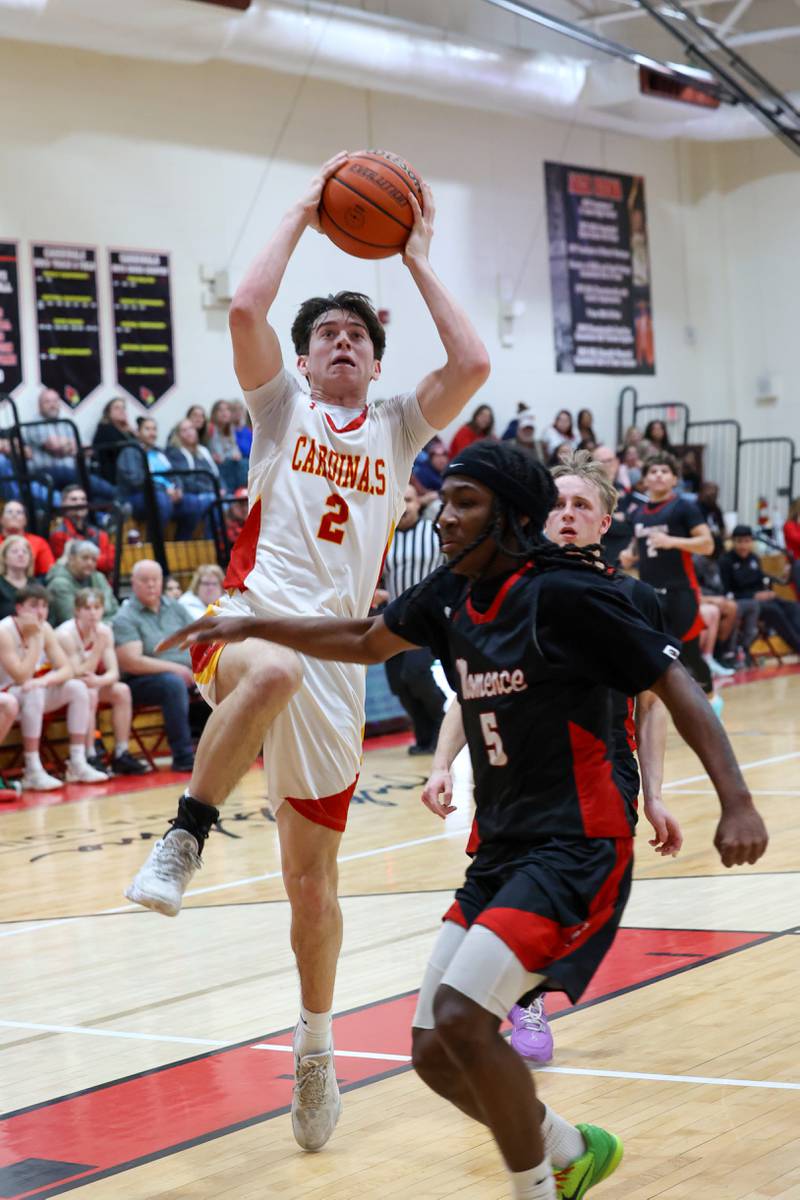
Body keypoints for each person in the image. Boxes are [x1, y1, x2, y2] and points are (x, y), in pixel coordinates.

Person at [161, 441, 767, 1200]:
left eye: (466, 504)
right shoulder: (450, 593)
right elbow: (361, 639)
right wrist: (250, 625)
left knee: (461, 1015)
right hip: (502, 853)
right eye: (444, 501)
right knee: (433, 1051)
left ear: (514, 519)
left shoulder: (567, 594)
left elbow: (670, 682)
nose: (445, 518)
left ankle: (535, 1189)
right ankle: (570, 1148)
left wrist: (736, 802)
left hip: (576, 848)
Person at [124, 151, 490, 1154]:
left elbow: (472, 365)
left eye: (355, 337)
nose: (340, 342)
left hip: (339, 661)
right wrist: (301, 205)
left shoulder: (400, 425)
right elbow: (245, 310)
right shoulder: (279, 411)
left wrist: (412, 255)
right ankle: (186, 835)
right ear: (307, 356)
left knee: (310, 889)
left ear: (375, 362)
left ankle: (316, 1051)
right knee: (270, 663)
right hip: (246, 621)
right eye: (326, 333)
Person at [423, 449, 682, 1068]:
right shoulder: (502, 589)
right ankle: (520, 1001)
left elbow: (653, 706)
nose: (566, 516)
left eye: (580, 506)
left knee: (560, 893)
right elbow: (469, 689)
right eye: (556, 505)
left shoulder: (636, 599)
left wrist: (656, 793)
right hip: (512, 768)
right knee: (503, 884)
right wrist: (440, 764)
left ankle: (522, 990)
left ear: (603, 522)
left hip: (601, 772)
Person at [620, 453, 716, 700]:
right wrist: (629, 555)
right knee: (657, 654)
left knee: (687, 652)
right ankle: (660, 708)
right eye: (653, 471)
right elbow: (639, 542)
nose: (659, 475)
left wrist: (672, 541)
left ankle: (711, 700)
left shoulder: (684, 507)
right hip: (649, 593)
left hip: (681, 590)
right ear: (644, 480)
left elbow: (707, 545)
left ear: (674, 479)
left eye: (665, 471)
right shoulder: (638, 512)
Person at [0, 583, 109, 789]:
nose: (40, 611)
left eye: (44, 606)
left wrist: (43, 680)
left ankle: (77, 762)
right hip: (7, 692)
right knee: (34, 691)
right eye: (34, 605)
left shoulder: (46, 628)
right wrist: (34, 639)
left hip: (29, 692)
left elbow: (66, 669)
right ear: (19, 608)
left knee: (77, 687)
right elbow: (21, 676)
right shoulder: (4, 630)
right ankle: (32, 769)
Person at [112, 560, 197, 773]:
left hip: (188, 673)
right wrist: (176, 669)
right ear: (133, 583)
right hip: (142, 681)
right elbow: (131, 662)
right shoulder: (126, 617)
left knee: (224, 673)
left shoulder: (176, 608)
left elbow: (198, 639)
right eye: (145, 580)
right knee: (173, 684)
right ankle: (183, 755)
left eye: (155, 580)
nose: (151, 585)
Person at [56, 588, 151, 776]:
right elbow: (78, 673)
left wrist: (99, 679)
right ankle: (91, 754)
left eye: (97, 607)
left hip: (88, 685)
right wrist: (98, 648)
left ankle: (121, 753)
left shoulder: (105, 631)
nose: (92, 612)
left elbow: (114, 673)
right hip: (62, 687)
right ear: (77, 611)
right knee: (88, 692)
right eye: (87, 608)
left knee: (122, 690)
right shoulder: (65, 634)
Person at [379, 485, 445, 754]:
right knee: (399, 685)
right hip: (394, 619)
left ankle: (443, 724)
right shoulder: (385, 539)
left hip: (428, 618)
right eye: (399, 500)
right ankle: (424, 736)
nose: (404, 506)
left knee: (416, 673)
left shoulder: (434, 533)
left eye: (408, 500)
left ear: (419, 503)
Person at [117, 417, 211, 540]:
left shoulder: (160, 453)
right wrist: (164, 490)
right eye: (147, 429)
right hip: (138, 497)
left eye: (154, 429)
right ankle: (154, 545)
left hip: (166, 496)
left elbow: (174, 474)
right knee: (161, 500)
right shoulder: (131, 451)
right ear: (138, 432)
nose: (152, 433)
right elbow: (136, 480)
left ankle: (181, 543)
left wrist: (178, 489)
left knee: (194, 504)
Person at [718, 525, 800, 657]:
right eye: (739, 541)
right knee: (775, 611)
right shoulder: (725, 562)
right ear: (733, 542)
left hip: (763, 598)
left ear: (751, 542)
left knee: (793, 607)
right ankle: (798, 646)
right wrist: (753, 595)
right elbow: (726, 592)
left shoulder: (754, 558)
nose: (743, 546)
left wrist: (768, 591)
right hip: (744, 602)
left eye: (747, 541)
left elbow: (761, 580)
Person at [25, 387, 115, 502]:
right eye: (47, 402)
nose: (52, 405)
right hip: (46, 471)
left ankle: (108, 515)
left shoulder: (67, 423)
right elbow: (54, 446)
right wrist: (70, 445)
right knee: (81, 478)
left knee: (96, 498)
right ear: (39, 405)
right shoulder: (34, 423)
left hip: (71, 472)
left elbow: (85, 449)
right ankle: (116, 493)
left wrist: (66, 445)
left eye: (55, 401)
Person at [46, 540, 119, 627]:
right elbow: (73, 620)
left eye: (94, 559)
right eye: (85, 558)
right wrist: (108, 624)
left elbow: (114, 609)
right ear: (71, 559)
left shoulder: (99, 577)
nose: (90, 563)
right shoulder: (59, 584)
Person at [49, 483, 116, 576]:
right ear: (63, 504)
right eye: (74, 499)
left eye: (83, 499)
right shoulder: (58, 535)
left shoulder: (100, 534)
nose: (79, 503)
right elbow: (72, 566)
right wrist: (98, 559)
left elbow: (110, 562)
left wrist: (83, 558)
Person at [591, 445, 637, 567]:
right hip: (601, 560)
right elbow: (605, 526)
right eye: (602, 461)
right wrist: (622, 519)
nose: (607, 464)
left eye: (610, 460)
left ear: (617, 462)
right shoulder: (589, 491)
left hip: (626, 560)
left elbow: (637, 520)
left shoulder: (623, 489)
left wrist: (625, 517)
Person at [166, 418, 220, 513]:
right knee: (213, 501)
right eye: (184, 430)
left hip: (212, 491)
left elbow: (215, 473)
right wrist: (213, 489)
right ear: (178, 435)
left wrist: (221, 488)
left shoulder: (203, 450)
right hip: (195, 494)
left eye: (191, 428)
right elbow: (187, 481)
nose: (189, 432)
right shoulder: (176, 453)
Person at [0, 500, 55, 578]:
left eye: (19, 512)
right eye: (9, 512)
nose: (14, 515)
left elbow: (49, 572)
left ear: (25, 521)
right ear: (1, 519)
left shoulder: (39, 542)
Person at [91, 396, 137, 486]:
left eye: (123, 408)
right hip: (112, 477)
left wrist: (132, 432)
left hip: (128, 474)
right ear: (108, 412)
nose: (121, 410)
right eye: (117, 408)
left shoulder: (128, 431)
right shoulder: (105, 428)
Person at [207, 399, 247, 492]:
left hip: (230, 464)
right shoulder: (211, 429)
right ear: (214, 414)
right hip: (218, 466)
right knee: (242, 465)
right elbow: (219, 456)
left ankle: (242, 493)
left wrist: (237, 454)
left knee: (244, 463)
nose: (224, 413)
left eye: (227, 410)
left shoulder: (230, 429)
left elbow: (234, 448)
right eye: (220, 410)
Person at [0, 535, 34, 619]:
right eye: (15, 551)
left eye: (25, 552)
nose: (21, 554)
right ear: (4, 557)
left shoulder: (37, 586)